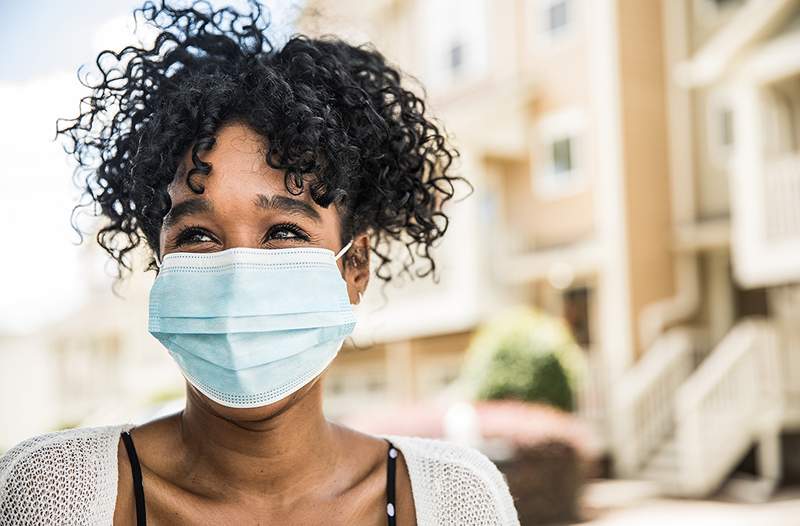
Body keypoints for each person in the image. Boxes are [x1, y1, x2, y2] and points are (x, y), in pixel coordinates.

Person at [0, 1, 520, 524]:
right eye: (198, 235)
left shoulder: (454, 499)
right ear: (160, 265)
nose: (238, 279)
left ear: (353, 267)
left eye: (284, 232)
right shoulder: (57, 493)